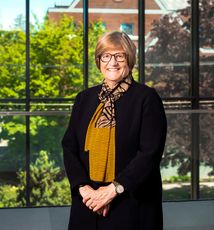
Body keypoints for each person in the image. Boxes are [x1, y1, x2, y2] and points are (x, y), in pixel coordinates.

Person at [62, 31, 167, 230]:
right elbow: (69, 146)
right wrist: (85, 189)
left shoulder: (147, 98)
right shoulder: (84, 98)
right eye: (106, 56)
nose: (113, 62)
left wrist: (112, 191)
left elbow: (149, 154)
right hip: (88, 202)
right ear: (98, 60)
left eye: (120, 56)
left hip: (130, 203)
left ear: (130, 60)